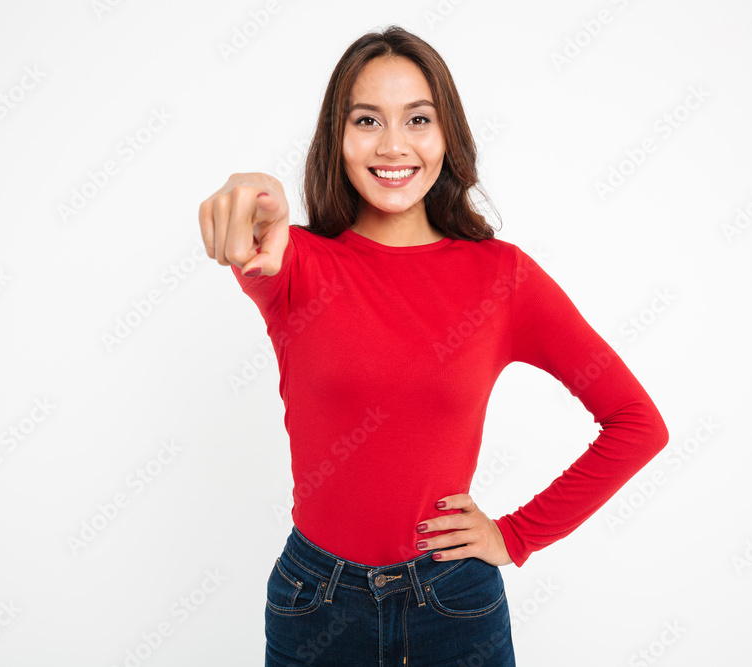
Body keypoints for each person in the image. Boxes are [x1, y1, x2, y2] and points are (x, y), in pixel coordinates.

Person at [198, 24, 669, 666]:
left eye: (417, 118)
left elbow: (637, 425)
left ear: (447, 134)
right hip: (316, 604)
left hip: (454, 606)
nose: (394, 144)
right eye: (367, 119)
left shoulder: (502, 278)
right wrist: (255, 193)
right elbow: (257, 232)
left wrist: (515, 535)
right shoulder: (298, 263)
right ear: (337, 137)